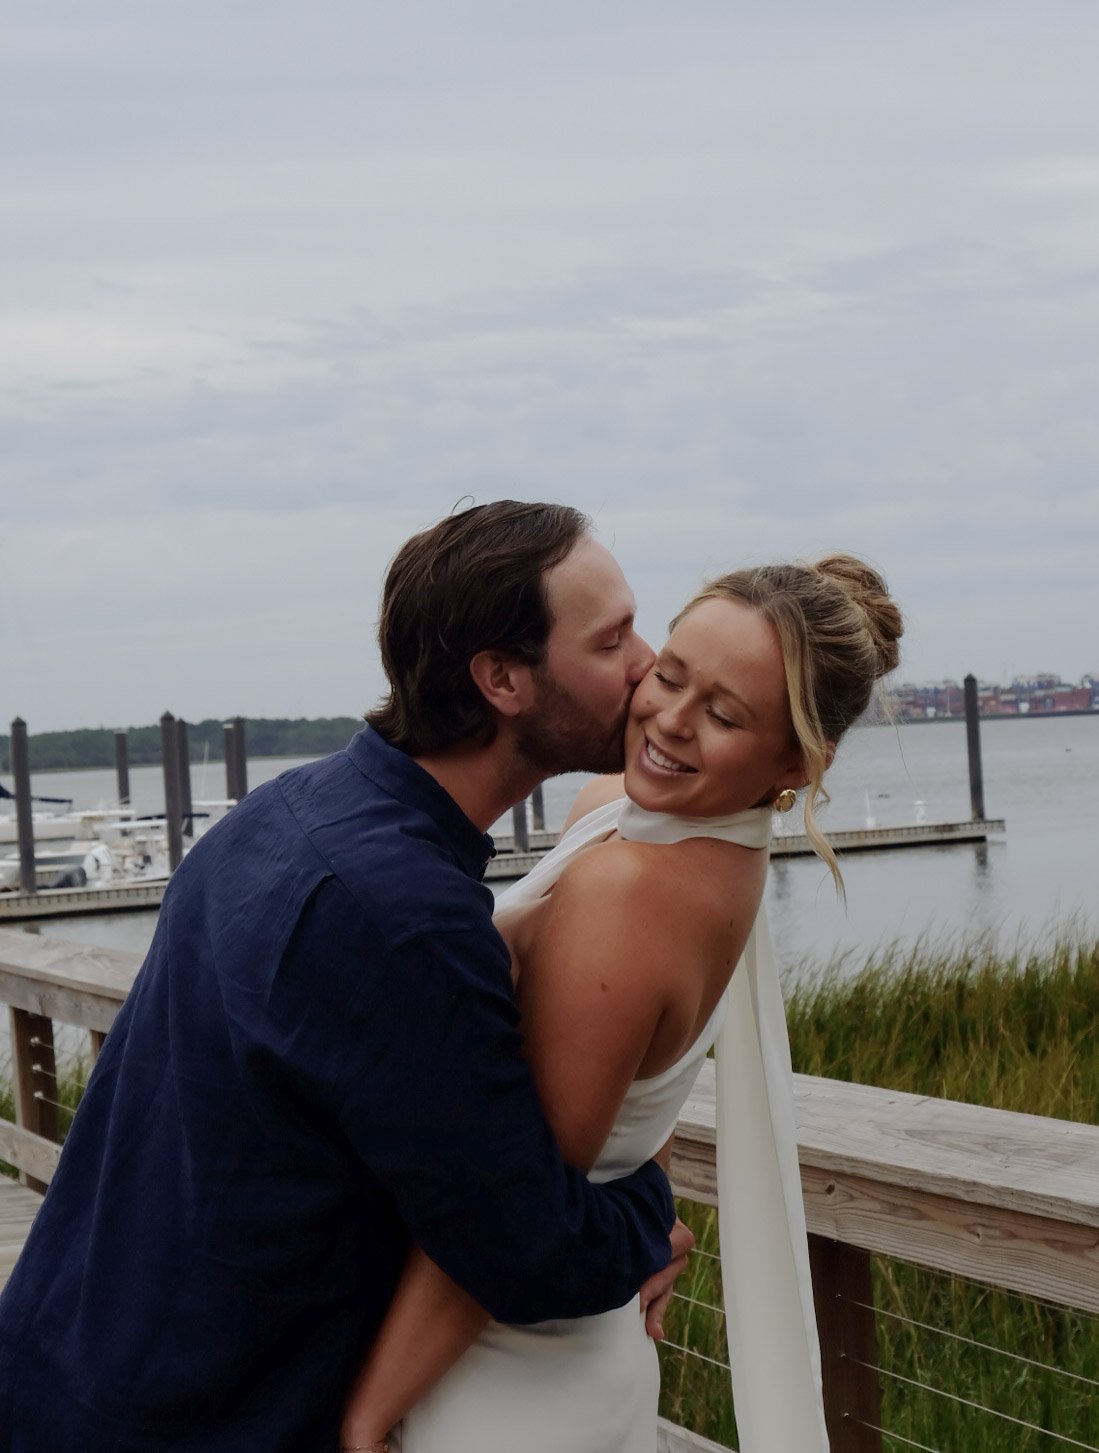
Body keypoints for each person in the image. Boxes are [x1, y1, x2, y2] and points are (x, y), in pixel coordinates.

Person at [0, 500, 694, 1452]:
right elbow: (525, 1252)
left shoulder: (280, 811)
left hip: (59, 1363)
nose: (648, 662)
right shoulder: (401, 916)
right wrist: (648, 1214)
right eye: (611, 638)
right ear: (501, 679)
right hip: (187, 1418)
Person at [338, 554, 903, 1453]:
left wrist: (367, 1417)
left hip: (500, 1372)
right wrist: (647, 1197)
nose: (668, 721)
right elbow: (634, 1082)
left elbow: (512, 1210)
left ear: (796, 760)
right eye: (667, 674)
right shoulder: (636, 818)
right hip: (538, 1329)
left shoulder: (634, 889)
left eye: (722, 714)